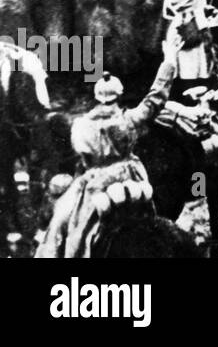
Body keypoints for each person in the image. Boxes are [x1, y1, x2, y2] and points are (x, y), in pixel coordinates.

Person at [37, 43, 179, 258]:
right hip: (132, 177)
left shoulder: (80, 126)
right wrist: (169, 61)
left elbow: (82, 159)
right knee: (151, 215)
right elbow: (155, 99)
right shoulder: (129, 119)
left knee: (62, 226)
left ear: (96, 97)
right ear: (119, 96)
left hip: (96, 184)